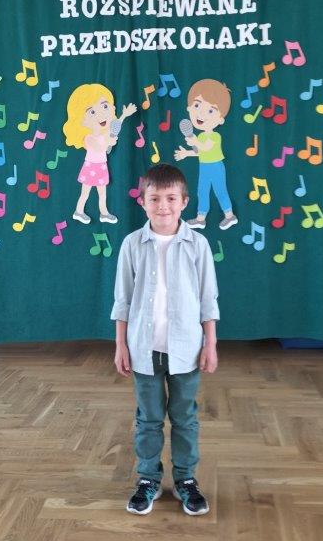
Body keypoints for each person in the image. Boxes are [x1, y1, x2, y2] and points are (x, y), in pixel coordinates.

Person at [111, 163, 219, 515]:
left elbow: (207, 299)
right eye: (155, 198)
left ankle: (186, 479)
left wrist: (210, 343)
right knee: (149, 418)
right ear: (142, 202)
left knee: (185, 418)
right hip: (143, 349)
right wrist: (121, 344)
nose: (163, 206)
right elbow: (123, 299)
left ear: (184, 201)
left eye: (171, 198)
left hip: (186, 349)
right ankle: (148, 479)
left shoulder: (198, 245)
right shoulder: (132, 244)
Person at [63, 83, 136, 224]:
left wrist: (124, 115)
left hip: (101, 166)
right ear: (81, 120)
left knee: (102, 193)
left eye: (104, 107)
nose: (101, 115)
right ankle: (78, 212)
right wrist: (109, 141)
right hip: (90, 167)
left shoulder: (105, 133)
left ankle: (104, 213)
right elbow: (98, 147)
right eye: (92, 112)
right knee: (85, 192)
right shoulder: (88, 138)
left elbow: (115, 127)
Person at [174, 78, 238, 230]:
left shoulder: (215, 136)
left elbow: (206, 147)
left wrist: (195, 141)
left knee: (220, 191)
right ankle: (200, 218)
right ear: (189, 108)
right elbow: (200, 152)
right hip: (204, 166)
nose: (202, 113)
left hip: (216, 166)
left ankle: (230, 216)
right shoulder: (201, 136)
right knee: (202, 192)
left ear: (220, 119)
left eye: (210, 110)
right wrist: (186, 153)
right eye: (197, 105)